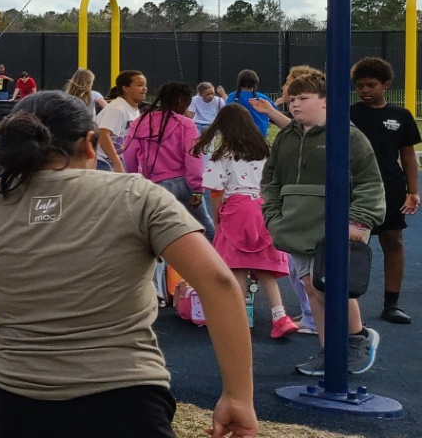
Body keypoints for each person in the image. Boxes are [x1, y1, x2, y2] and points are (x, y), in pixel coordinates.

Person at [0, 91, 257, 438]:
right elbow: (220, 283)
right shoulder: (134, 195)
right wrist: (238, 396)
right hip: (122, 398)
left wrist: (22, 358)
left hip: (17, 404)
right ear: (90, 143)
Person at [260, 71, 387, 375]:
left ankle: (356, 339)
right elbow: (272, 179)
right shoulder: (287, 137)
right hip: (296, 226)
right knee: (310, 286)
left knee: (334, 286)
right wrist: (274, 218)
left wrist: (359, 220)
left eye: (303, 99)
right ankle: (329, 349)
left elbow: (370, 182)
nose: (295, 105)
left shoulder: (347, 135)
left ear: (326, 102)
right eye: (292, 100)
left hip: (339, 225)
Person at [196, 104, 299, 339]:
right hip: (261, 208)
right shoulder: (263, 150)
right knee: (265, 267)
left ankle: (239, 319)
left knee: (237, 266)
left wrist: (218, 218)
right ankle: (280, 315)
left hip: (236, 209)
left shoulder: (222, 155)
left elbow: (215, 192)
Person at [348, 57, 420, 325]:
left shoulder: (401, 116)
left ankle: (392, 304)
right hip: (356, 189)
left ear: (386, 84)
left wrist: (413, 191)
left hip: (390, 187)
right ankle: (349, 307)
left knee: (394, 242)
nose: (364, 91)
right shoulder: (349, 114)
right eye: (360, 86)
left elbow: (408, 156)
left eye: (371, 85)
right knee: (353, 245)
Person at [123, 81, 209, 235]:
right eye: (186, 106)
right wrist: (197, 188)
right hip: (185, 184)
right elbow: (193, 156)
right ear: (180, 102)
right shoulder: (186, 124)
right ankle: (216, 258)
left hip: (156, 185)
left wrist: (136, 179)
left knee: (160, 233)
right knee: (204, 229)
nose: (186, 111)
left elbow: (129, 156)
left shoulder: (140, 122)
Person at [94, 69, 146, 172]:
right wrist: (116, 162)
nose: (144, 89)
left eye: (145, 85)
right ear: (125, 88)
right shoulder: (118, 108)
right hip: (102, 161)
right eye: (140, 85)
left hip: (113, 160)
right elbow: (103, 134)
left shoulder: (133, 109)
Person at [228, 69, 279, 136]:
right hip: (259, 133)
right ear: (255, 82)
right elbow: (274, 112)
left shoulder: (232, 96)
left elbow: (227, 114)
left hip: (238, 134)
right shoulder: (262, 97)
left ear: (239, 82)